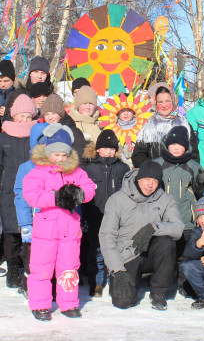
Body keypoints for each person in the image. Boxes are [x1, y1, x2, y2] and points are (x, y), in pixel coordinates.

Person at [22, 124, 96, 321]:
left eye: (64, 155)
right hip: (45, 228)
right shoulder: (37, 173)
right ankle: (40, 304)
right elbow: (32, 195)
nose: (61, 159)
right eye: (56, 154)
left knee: (69, 268)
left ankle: (68, 303)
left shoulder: (76, 172)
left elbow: (90, 187)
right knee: (41, 268)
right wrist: (55, 198)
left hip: (70, 228)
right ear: (48, 153)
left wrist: (80, 193)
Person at [100, 160, 183, 311]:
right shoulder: (117, 200)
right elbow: (107, 236)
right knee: (123, 302)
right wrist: (117, 270)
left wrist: (153, 228)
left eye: (155, 181)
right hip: (126, 255)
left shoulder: (165, 199)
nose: (150, 185)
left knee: (166, 243)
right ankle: (127, 277)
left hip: (151, 253)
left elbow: (178, 228)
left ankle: (159, 292)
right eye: (147, 179)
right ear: (138, 178)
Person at [0, 94, 38, 288]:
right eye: (20, 116)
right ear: (13, 115)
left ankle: (28, 270)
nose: (24, 120)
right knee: (11, 233)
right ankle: (12, 270)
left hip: (33, 190)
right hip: (9, 191)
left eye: (28, 116)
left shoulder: (37, 135)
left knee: (29, 232)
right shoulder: (2, 137)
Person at [154, 125, 202, 298]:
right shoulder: (157, 165)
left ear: (186, 146)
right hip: (164, 220)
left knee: (185, 255)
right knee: (166, 255)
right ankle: (164, 286)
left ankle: (184, 284)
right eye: (172, 144)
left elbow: (201, 192)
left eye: (180, 144)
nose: (176, 147)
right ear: (167, 145)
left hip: (187, 219)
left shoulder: (193, 166)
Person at [80, 129, 130, 296]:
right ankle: (96, 282)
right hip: (95, 215)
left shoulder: (122, 168)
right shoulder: (89, 168)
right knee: (96, 250)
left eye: (112, 148)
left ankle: (114, 280)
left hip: (115, 216)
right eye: (105, 148)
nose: (109, 151)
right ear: (97, 149)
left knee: (114, 249)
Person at [13, 122, 49, 296]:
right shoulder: (26, 168)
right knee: (31, 256)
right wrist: (25, 223)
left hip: (52, 222)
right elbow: (21, 196)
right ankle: (27, 283)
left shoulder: (59, 167)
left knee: (49, 258)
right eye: (43, 142)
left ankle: (48, 285)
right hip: (34, 221)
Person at [132, 86, 197, 167]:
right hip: (154, 175)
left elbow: (194, 154)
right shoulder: (149, 125)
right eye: (160, 102)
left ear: (174, 101)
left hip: (180, 175)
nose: (164, 105)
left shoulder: (184, 123)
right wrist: (151, 168)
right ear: (155, 103)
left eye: (167, 101)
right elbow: (138, 155)